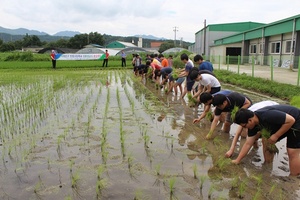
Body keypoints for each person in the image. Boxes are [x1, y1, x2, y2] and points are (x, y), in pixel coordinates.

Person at [232, 104, 300, 176]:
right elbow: (248, 143)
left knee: (292, 151)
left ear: (250, 120)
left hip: (297, 120)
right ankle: (268, 165)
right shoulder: (253, 126)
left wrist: (276, 136)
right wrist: (237, 160)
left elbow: (291, 120)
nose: (245, 128)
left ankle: (294, 177)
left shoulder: (266, 115)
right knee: (266, 140)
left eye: (244, 126)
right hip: (284, 123)